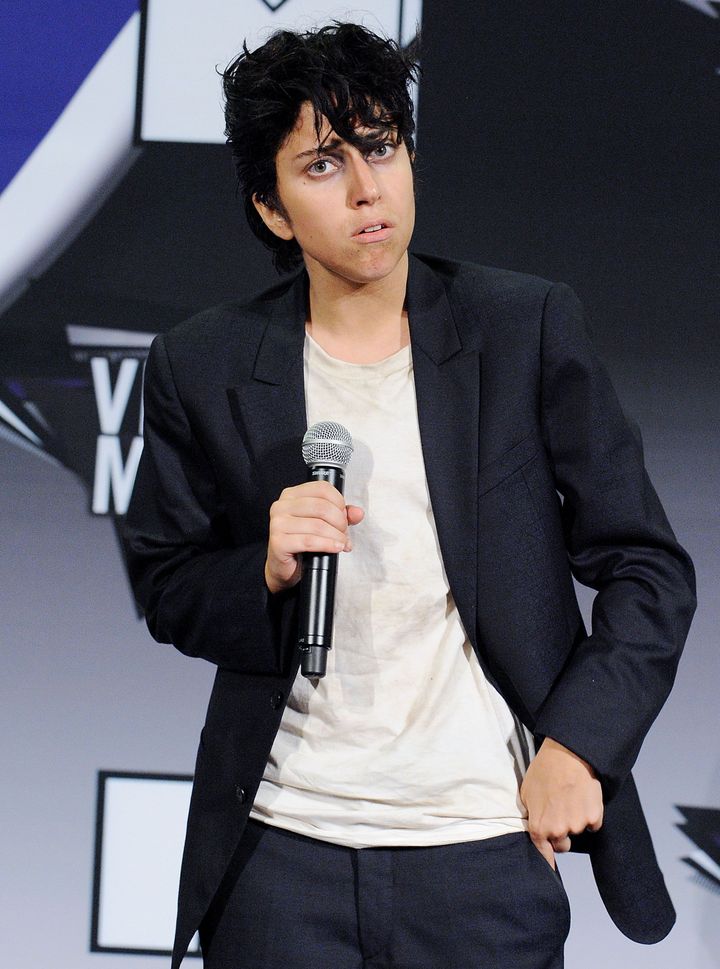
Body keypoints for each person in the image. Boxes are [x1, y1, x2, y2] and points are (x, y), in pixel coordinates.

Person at [124, 22, 696, 969]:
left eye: (382, 147)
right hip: (281, 856)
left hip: (481, 851)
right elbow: (168, 584)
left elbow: (648, 566)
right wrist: (263, 568)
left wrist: (578, 745)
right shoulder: (202, 363)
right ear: (271, 208)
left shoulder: (522, 328)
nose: (366, 188)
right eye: (323, 164)